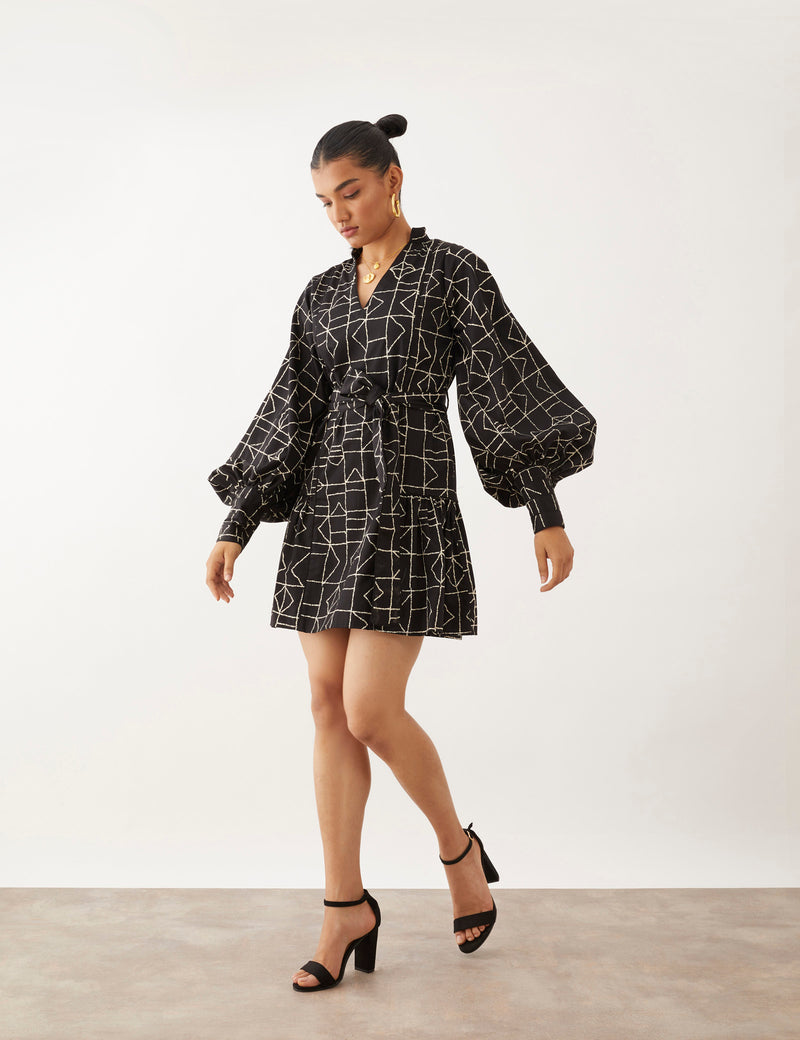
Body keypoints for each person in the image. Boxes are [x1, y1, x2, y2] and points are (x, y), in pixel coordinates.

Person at [205, 113, 597, 991]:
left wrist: (543, 508)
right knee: (326, 705)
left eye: (350, 191)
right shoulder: (319, 294)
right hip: (324, 511)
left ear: (393, 179)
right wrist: (238, 522)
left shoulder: (454, 272)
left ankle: (457, 852)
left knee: (371, 710)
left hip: (408, 505)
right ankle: (343, 907)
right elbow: (292, 409)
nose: (338, 213)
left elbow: (502, 384)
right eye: (323, 201)